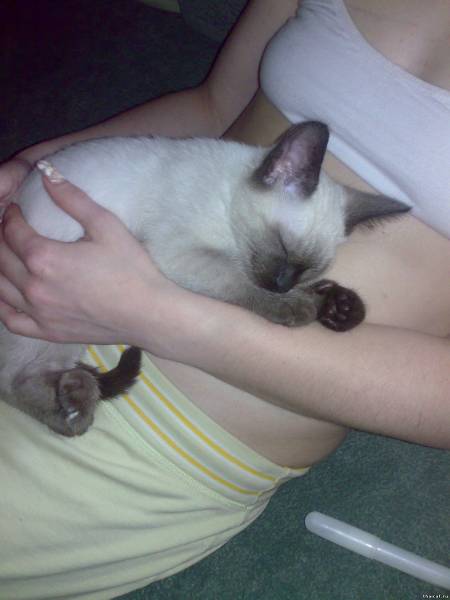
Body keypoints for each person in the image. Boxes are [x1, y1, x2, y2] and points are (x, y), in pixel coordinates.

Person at [0, 0, 449, 597]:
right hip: (37, 279)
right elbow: (213, 106)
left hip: (171, 443)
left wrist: (155, 314)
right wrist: (33, 171)